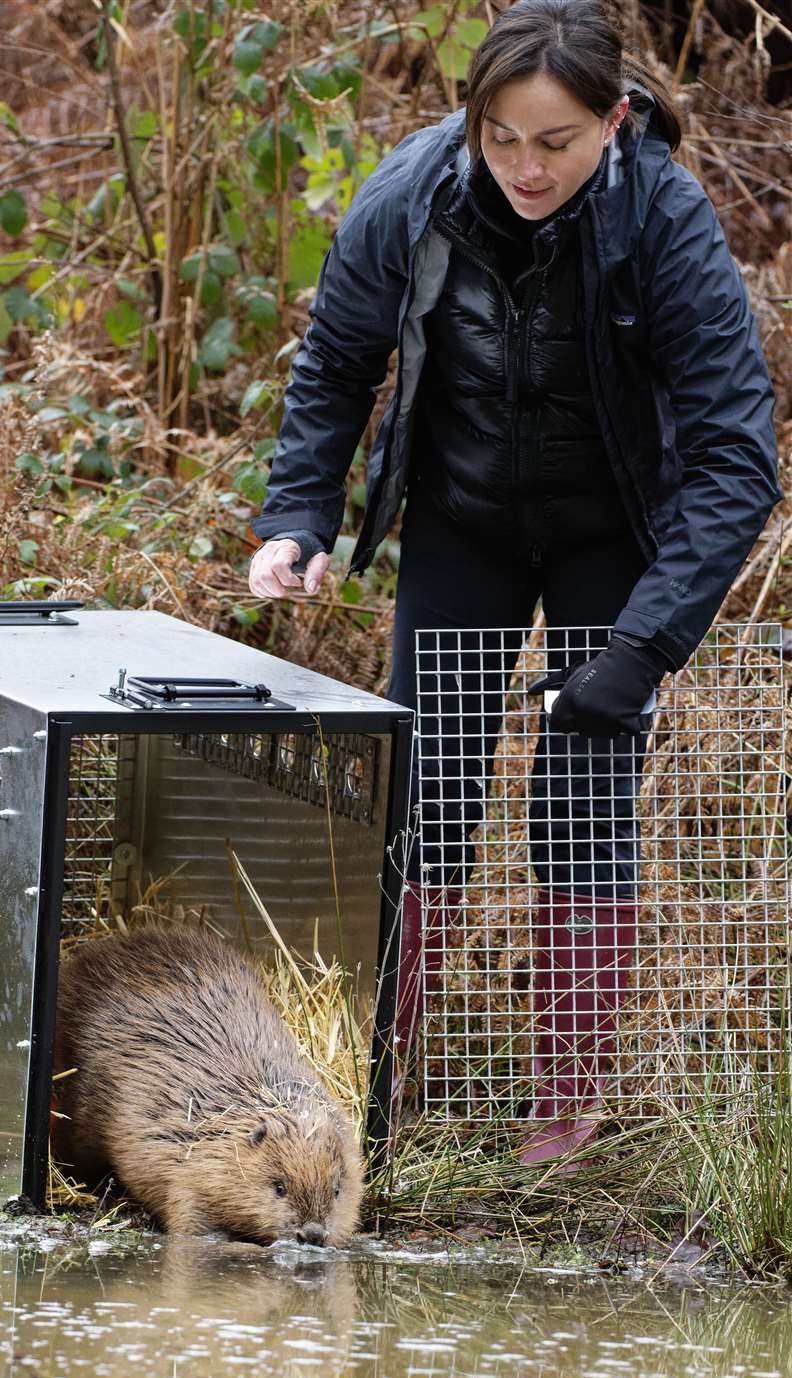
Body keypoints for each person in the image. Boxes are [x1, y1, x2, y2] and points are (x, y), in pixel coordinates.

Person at [247, 0, 779, 1164]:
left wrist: (640, 650)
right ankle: (381, 1095)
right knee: (423, 796)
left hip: (613, 527)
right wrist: (300, 513)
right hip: (464, 516)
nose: (526, 168)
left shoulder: (666, 221)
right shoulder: (410, 198)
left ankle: (563, 1119)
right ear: (472, 122)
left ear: (615, 122)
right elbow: (338, 358)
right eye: (503, 139)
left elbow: (741, 456)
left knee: (582, 802)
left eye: (557, 142)